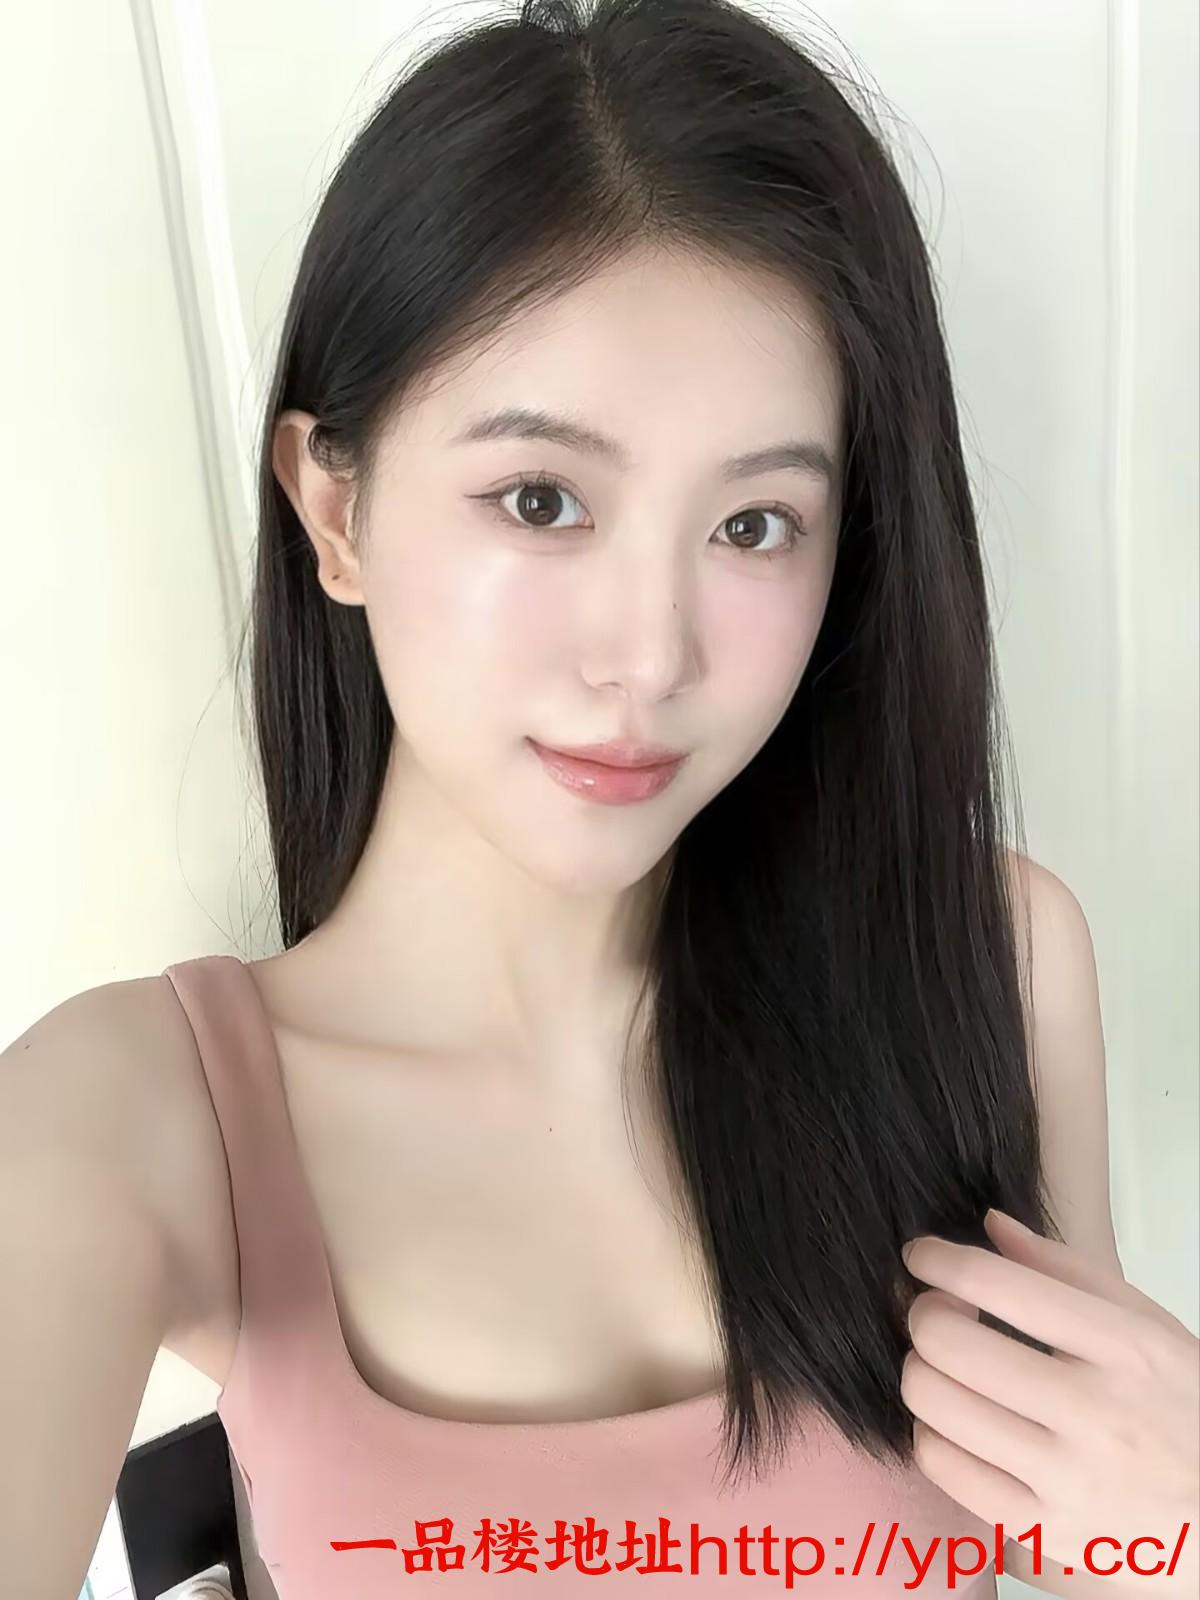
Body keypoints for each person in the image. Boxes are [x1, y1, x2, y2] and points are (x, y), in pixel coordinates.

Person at [4, 0, 1197, 1596]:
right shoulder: (136, 1119)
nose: (650, 656)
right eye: (541, 499)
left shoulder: (982, 963)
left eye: (756, 525)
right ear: (334, 511)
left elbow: (1096, 1542)